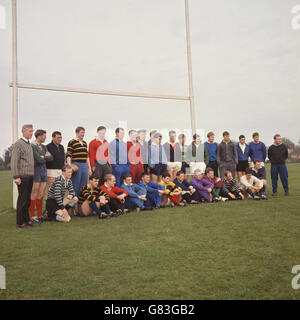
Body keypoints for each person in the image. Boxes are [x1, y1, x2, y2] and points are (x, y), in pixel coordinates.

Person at [11, 124, 39, 228]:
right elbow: (14, 161)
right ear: (23, 132)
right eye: (30, 131)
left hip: (30, 175)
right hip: (22, 176)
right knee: (22, 199)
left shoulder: (28, 144)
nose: (31, 133)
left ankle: (27, 219)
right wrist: (16, 176)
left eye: (32, 131)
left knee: (27, 199)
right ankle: (20, 222)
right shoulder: (18, 144)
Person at [29, 129, 54, 221]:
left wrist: (43, 157)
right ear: (39, 136)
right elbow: (38, 160)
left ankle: (39, 215)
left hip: (44, 170)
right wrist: (44, 157)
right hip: (36, 170)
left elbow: (51, 158)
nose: (45, 137)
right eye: (44, 136)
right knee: (34, 192)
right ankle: (32, 215)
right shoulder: (32, 146)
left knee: (41, 193)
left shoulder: (43, 147)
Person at [66, 126, 92, 196]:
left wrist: (89, 168)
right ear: (77, 133)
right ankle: (72, 205)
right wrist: (69, 166)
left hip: (84, 166)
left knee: (83, 187)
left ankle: (81, 206)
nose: (83, 134)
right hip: (76, 164)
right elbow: (68, 155)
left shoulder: (85, 143)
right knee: (75, 186)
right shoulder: (72, 142)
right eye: (81, 132)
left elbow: (87, 156)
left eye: (84, 133)